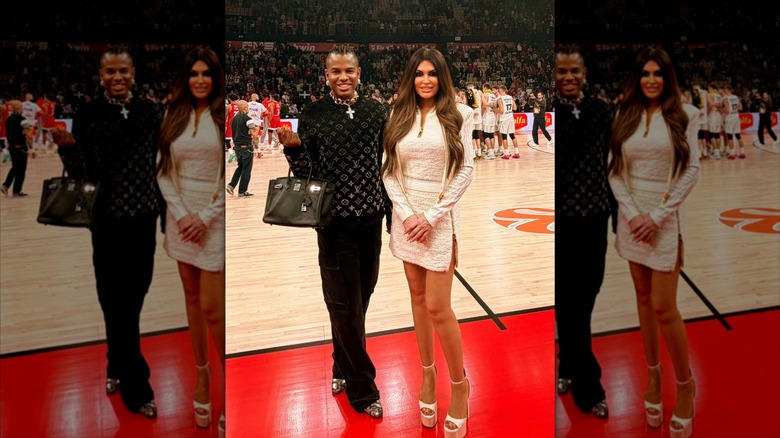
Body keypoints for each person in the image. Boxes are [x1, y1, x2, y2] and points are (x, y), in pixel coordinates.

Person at [277, 45, 389, 419]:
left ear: (360, 73)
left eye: (349, 71)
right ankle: (362, 388)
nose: (343, 77)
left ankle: (340, 364)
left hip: (371, 221)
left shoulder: (376, 112)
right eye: (336, 71)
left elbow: (383, 162)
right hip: (334, 225)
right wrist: (293, 152)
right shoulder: (314, 115)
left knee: (361, 300)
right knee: (344, 306)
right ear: (326, 75)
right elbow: (307, 173)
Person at [381, 47, 473, 438]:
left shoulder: (460, 114)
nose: (425, 80)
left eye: (432, 73)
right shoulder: (397, 114)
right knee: (417, 301)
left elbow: (465, 169)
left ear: (442, 77)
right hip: (406, 219)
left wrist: (432, 216)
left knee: (439, 306)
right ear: (410, 78)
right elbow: (389, 171)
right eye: (419, 73)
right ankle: (427, 377)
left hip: (437, 216)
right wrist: (406, 215)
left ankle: (460, 386)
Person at [608, 47, 699, 437]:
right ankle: (652, 376)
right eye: (644, 73)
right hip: (632, 220)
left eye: (657, 73)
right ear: (637, 77)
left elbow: (691, 170)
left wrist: (657, 216)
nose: (650, 79)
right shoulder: (624, 115)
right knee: (643, 302)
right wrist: (632, 214)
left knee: (665, 306)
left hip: (662, 219)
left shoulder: (686, 115)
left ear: (667, 78)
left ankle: (685, 385)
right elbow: (614, 171)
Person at [72, 47, 163, 419]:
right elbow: (82, 171)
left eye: (122, 70)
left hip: (143, 220)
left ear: (133, 72)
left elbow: (160, 163)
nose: (117, 77)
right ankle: (137, 387)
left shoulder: (149, 112)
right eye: (109, 71)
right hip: (107, 223)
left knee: (134, 297)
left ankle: (114, 362)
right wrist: (66, 153)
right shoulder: (88, 114)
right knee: (115, 301)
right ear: (100, 75)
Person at [155, 47, 226, 436]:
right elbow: (163, 170)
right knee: (192, 299)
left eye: (208, 74)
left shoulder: (219, 115)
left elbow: (221, 178)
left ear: (215, 78)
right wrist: (183, 215)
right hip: (181, 221)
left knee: (214, 308)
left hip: (213, 220)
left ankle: (227, 385)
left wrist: (206, 216)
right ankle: (202, 377)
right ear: (187, 77)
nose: (201, 79)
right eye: (194, 73)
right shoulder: (174, 114)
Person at [553, 45, 614, 420]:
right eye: (561, 71)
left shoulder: (603, 111)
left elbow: (614, 165)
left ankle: (565, 363)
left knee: (585, 298)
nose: (568, 77)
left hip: (595, 221)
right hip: (563, 226)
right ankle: (588, 386)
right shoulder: (553, 114)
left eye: (574, 70)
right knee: (568, 302)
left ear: (584, 72)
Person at [226, 100, 254, 197]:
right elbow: (254, 133)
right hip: (246, 146)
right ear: (245, 108)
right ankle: (242, 191)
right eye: (248, 107)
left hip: (237, 147)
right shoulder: (248, 119)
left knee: (240, 166)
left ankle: (231, 185)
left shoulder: (233, 119)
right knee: (247, 169)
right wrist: (257, 129)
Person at [1, 100, 30, 197]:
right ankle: (12, 188)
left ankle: (11, 188)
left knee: (16, 167)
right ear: (19, 108)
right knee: (21, 170)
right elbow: (28, 134)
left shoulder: (8, 119)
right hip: (21, 147)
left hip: (12, 147)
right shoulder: (22, 119)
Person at [497, 85, 519, 159]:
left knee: (504, 137)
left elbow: (501, 111)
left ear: (501, 90)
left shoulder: (500, 99)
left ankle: (506, 153)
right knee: (512, 136)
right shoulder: (510, 97)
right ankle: (517, 152)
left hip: (504, 119)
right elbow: (515, 108)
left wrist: (495, 110)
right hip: (510, 118)